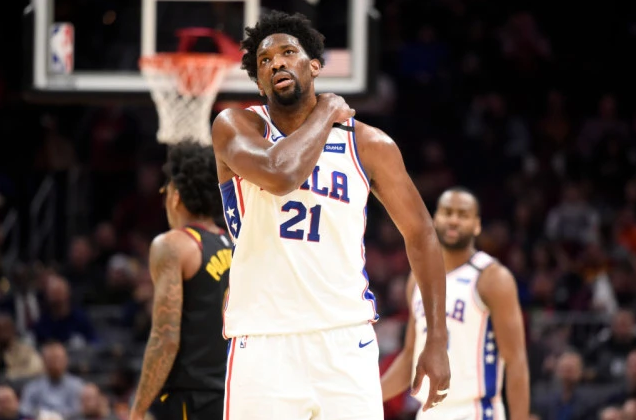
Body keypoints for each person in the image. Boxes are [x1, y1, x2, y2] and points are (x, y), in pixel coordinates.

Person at [211, 10, 450, 420]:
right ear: (259, 82)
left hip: (345, 340)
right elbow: (279, 174)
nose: (277, 63)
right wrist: (326, 111)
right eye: (265, 61)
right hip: (263, 340)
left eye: (288, 53)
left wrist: (437, 340)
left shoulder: (368, 145)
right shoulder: (236, 125)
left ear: (315, 66)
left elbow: (422, 234)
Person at [381, 187, 530, 419]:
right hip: (428, 412)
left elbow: (516, 362)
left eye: (463, 214)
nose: (454, 220)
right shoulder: (417, 278)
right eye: (447, 212)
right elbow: (410, 356)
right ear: (434, 219)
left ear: (477, 225)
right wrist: (366, 397)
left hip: (475, 411)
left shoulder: (492, 278)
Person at [129, 141, 232, 420]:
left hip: (192, 396)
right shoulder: (234, 243)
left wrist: (138, 409)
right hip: (234, 392)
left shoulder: (173, 245)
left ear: (175, 196)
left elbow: (165, 337)